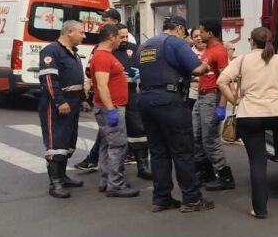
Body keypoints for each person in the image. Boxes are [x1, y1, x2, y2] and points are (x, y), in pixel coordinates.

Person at [137, 16, 214, 213]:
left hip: (146, 100)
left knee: (158, 152)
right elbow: (196, 69)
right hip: (169, 101)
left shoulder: (146, 45)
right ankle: (192, 198)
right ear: (179, 28)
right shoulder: (174, 43)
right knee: (182, 151)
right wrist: (205, 65)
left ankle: (161, 198)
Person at [217, 27, 278, 219]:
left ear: (251, 41)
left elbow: (221, 81)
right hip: (277, 114)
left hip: (250, 114)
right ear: (271, 41)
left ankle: (260, 209)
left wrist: (234, 101)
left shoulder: (242, 60)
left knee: (258, 164)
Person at [38, 21, 89, 199]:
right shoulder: (51, 51)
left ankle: (63, 176)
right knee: (56, 141)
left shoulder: (73, 53)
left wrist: (82, 99)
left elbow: (78, 79)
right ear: (69, 32)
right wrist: (59, 101)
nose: (84, 36)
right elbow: (50, 79)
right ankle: (55, 183)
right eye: (81, 32)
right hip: (57, 104)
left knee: (68, 140)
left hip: (74, 102)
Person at [90, 24, 139, 198]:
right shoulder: (103, 57)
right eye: (119, 37)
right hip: (111, 107)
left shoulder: (104, 55)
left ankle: (106, 180)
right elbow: (102, 86)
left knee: (106, 144)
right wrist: (111, 109)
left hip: (109, 106)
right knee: (118, 146)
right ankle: (115, 185)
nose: (122, 40)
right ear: (111, 37)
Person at [192, 19, 235, 191]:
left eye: (202, 32)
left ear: (210, 33)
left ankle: (225, 175)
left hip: (211, 97)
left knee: (209, 138)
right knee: (197, 136)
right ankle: (206, 172)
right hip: (201, 97)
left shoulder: (219, 51)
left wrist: (222, 105)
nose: (199, 35)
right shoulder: (208, 50)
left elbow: (225, 80)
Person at [115, 24, 152, 180]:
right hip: (114, 93)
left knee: (138, 129)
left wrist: (142, 74)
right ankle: (114, 172)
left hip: (131, 93)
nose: (124, 40)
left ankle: (142, 166)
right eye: (121, 37)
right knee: (114, 134)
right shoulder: (105, 48)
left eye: (126, 36)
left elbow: (147, 66)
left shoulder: (134, 48)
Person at [187, 28, 206, 110]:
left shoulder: (212, 52)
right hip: (192, 96)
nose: (199, 38)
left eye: (200, 35)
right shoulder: (187, 53)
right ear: (192, 39)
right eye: (195, 36)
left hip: (210, 96)